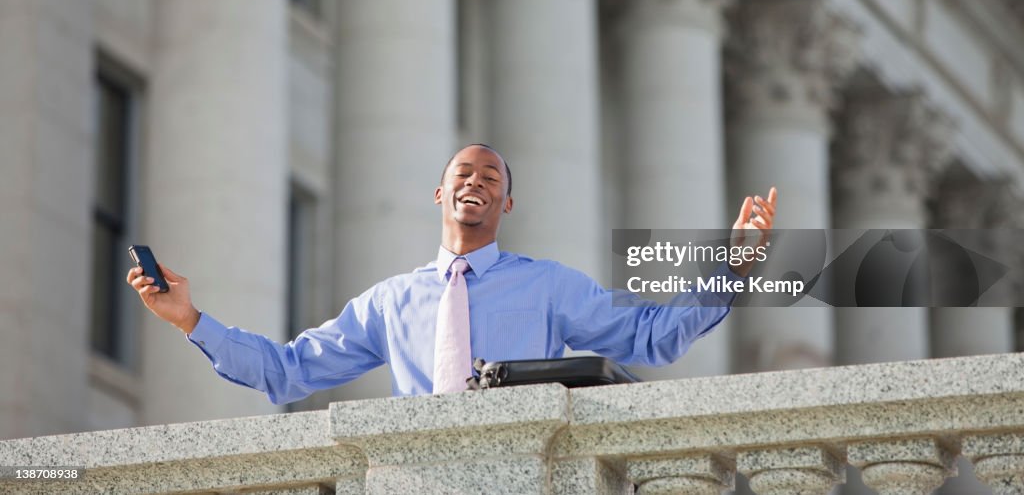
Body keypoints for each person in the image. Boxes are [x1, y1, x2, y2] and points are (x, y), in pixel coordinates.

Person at [128, 144, 777, 401]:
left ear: (506, 204)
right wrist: (191, 320)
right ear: (440, 195)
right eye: (462, 174)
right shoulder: (389, 301)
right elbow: (287, 371)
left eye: (490, 177)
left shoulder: (549, 286)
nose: (475, 182)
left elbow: (651, 337)